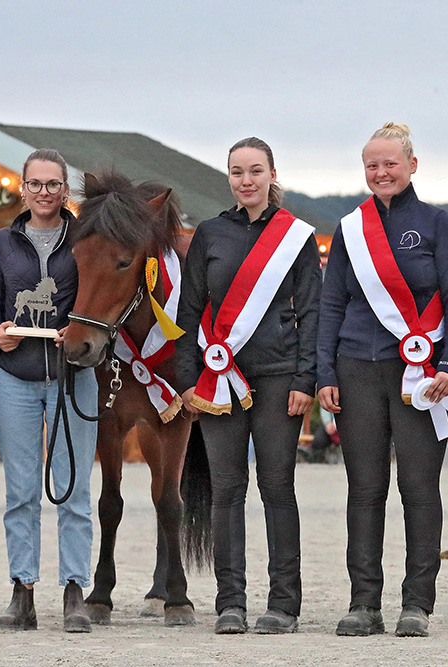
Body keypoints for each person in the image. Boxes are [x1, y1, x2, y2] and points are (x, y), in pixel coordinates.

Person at [317, 122, 448, 638]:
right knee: (364, 488)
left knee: (419, 487)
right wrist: (325, 371)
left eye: (390, 163)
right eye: (371, 166)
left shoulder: (436, 224)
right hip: (356, 366)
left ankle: (417, 604)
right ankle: (364, 603)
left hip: (422, 376)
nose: (380, 173)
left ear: (412, 165)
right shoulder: (349, 229)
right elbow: (331, 302)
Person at [177, 137, 321, 634]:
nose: (246, 180)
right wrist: (188, 381)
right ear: (229, 178)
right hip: (218, 379)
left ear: (272, 174)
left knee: (277, 487)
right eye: (237, 172)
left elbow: (312, 312)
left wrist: (307, 378)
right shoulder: (210, 234)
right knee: (226, 490)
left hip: (281, 379)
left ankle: (284, 604)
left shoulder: (296, 237)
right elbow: (188, 312)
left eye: (255, 171)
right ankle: (229, 603)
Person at [0, 149, 99, 633]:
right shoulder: (1, 242)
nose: (45, 192)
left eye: (54, 184)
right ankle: (22, 590)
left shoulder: (87, 237)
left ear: (65, 190)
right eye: (36, 183)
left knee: (73, 487)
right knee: (20, 491)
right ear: (22, 187)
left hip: (74, 376)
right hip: (15, 376)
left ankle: (75, 589)